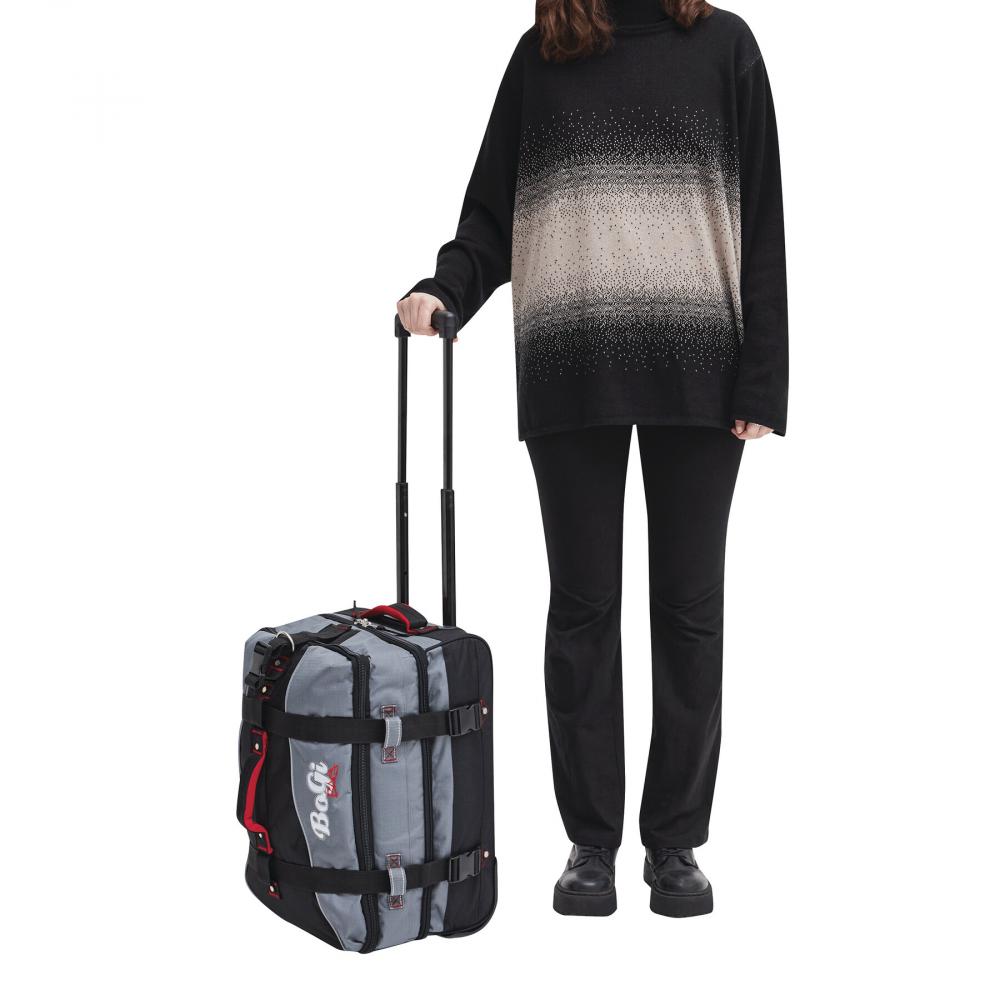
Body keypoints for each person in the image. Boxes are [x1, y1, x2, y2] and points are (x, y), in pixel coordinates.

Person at [397, 0, 787, 919]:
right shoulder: (543, 56)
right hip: (573, 361)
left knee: (689, 610)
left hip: (702, 366)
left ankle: (675, 842)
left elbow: (764, 216)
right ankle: (591, 845)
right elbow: (490, 215)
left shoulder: (725, 47)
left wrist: (764, 378)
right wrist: (443, 289)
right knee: (581, 607)